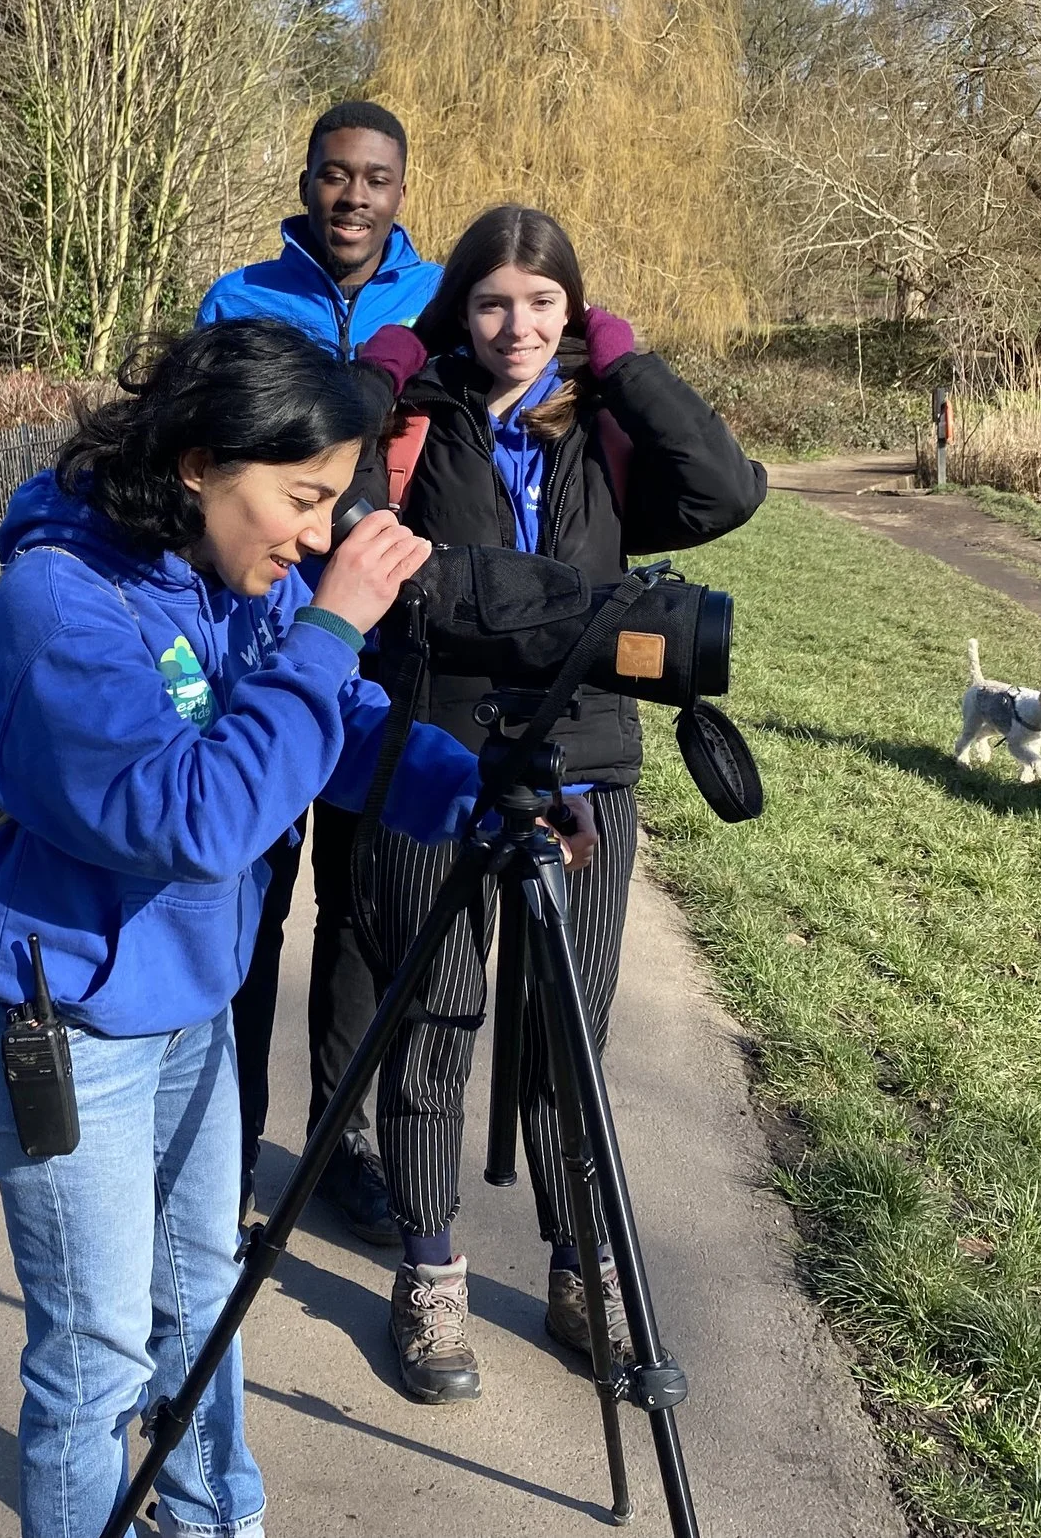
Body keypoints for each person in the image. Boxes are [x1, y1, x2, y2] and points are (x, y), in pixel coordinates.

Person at [0, 320, 577, 1538]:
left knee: (205, 1300)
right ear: (197, 463)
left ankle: (214, 1517)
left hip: (185, 1011)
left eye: (334, 502)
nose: (319, 534)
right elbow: (200, 814)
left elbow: (323, 730)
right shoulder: (58, 605)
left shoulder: (232, 582)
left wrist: (473, 788)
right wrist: (336, 624)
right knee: (94, 1356)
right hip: (69, 1026)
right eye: (302, 497)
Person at [347, 204, 767, 1405]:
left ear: (573, 313)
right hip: (435, 769)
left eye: (543, 304)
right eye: (491, 303)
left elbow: (729, 491)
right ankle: (429, 1272)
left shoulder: (606, 434)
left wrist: (627, 366)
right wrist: (385, 370)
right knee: (436, 1013)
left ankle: (581, 1267)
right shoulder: (417, 427)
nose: (516, 326)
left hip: (588, 770)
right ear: (458, 312)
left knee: (567, 1042)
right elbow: (318, 478)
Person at [197, 100, 444, 1242]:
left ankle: (337, 1141)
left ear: (402, 190)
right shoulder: (242, 299)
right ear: (306, 182)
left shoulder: (437, 298)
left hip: (393, 637)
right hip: (267, 629)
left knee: (360, 914)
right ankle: (226, 1139)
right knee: (251, 895)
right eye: (334, 176)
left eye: (375, 179)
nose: (353, 197)